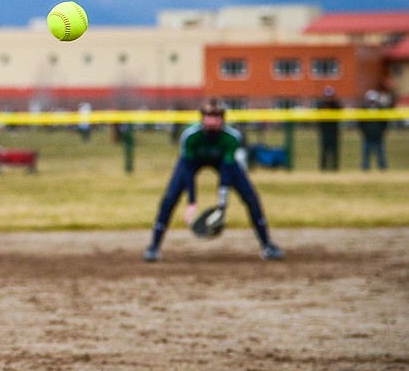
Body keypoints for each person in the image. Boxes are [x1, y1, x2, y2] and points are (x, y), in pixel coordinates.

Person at [144, 99, 283, 262]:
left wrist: (222, 206)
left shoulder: (231, 137)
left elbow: (226, 171)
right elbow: (187, 171)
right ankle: (153, 247)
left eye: (217, 116)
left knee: (251, 197)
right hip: (192, 162)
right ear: (202, 118)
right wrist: (192, 202)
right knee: (169, 198)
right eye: (208, 116)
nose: (212, 120)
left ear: (223, 119)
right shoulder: (190, 136)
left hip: (223, 163)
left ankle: (267, 245)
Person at [358, 90, 389, 171]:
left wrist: (381, 131)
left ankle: (382, 168)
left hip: (378, 136)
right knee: (366, 154)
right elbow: (360, 122)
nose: (372, 102)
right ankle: (365, 168)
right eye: (370, 100)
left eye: (373, 100)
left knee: (381, 154)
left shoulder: (381, 109)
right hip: (367, 136)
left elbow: (385, 122)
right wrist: (364, 131)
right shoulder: (364, 109)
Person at [315, 85, 342, 172]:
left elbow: (340, 109)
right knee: (324, 151)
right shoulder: (321, 105)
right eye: (327, 96)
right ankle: (323, 168)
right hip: (324, 132)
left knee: (334, 151)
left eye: (330, 96)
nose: (329, 98)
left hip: (334, 132)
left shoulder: (336, 105)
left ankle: (335, 168)